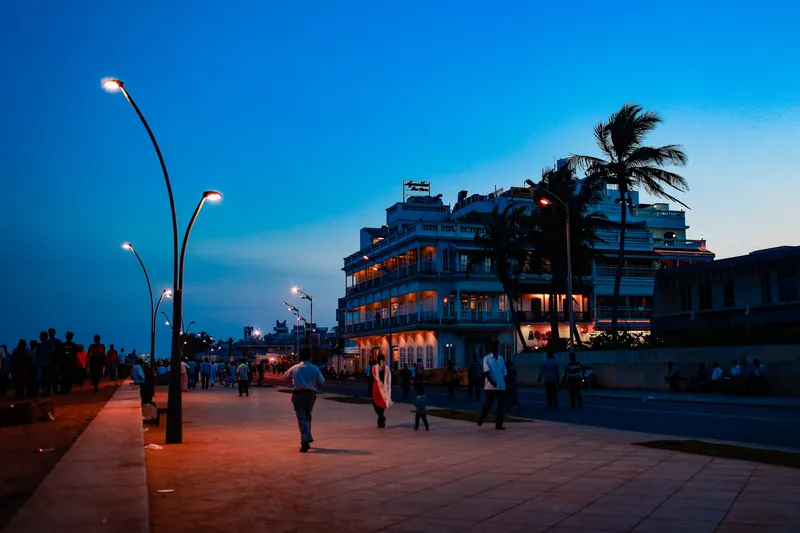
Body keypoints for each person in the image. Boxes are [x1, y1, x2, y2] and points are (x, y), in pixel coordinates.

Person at [283, 347, 325, 452]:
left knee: (301, 418)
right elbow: (322, 382)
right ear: (310, 356)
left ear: (300, 356)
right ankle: (306, 439)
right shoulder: (315, 368)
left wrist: (294, 380)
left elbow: (285, 377)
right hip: (311, 395)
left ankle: (305, 439)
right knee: (307, 416)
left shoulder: (295, 368)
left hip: (298, 394)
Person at [477, 340, 507, 430]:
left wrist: (506, 384)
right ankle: (481, 418)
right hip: (490, 387)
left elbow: (504, 373)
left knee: (501, 405)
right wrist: (491, 381)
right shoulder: (487, 358)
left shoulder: (501, 359)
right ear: (491, 347)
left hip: (500, 386)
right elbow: (486, 372)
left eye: (497, 345)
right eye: (494, 345)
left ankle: (499, 425)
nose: (496, 347)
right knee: (489, 404)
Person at [371, 354, 393, 428]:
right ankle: (381, 422)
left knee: (375, 402)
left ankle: (381, 417)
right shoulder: (387, 368)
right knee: (381, 405)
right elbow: (389, 379)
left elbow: (371, 379)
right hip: (384, 388)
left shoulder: (374, 368)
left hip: (377, 387)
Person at [35, 331, 55, 396]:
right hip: (41, 364)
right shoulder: (39, 346)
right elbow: (37, 355)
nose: (40, 337)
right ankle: (44, 391)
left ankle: (47, 391)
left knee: (47, 379)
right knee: (42, 379)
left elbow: (53, 354)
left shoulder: (49, 345)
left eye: (41, 336)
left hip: (47, 365)